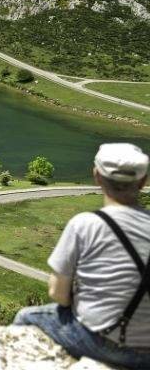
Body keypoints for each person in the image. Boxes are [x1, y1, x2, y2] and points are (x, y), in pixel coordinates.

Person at [14, 143, 150, 369]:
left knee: (26, 317)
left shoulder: (85, 225)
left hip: (99, 341)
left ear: (97, 176)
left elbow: (58, 294)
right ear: (143, 181)